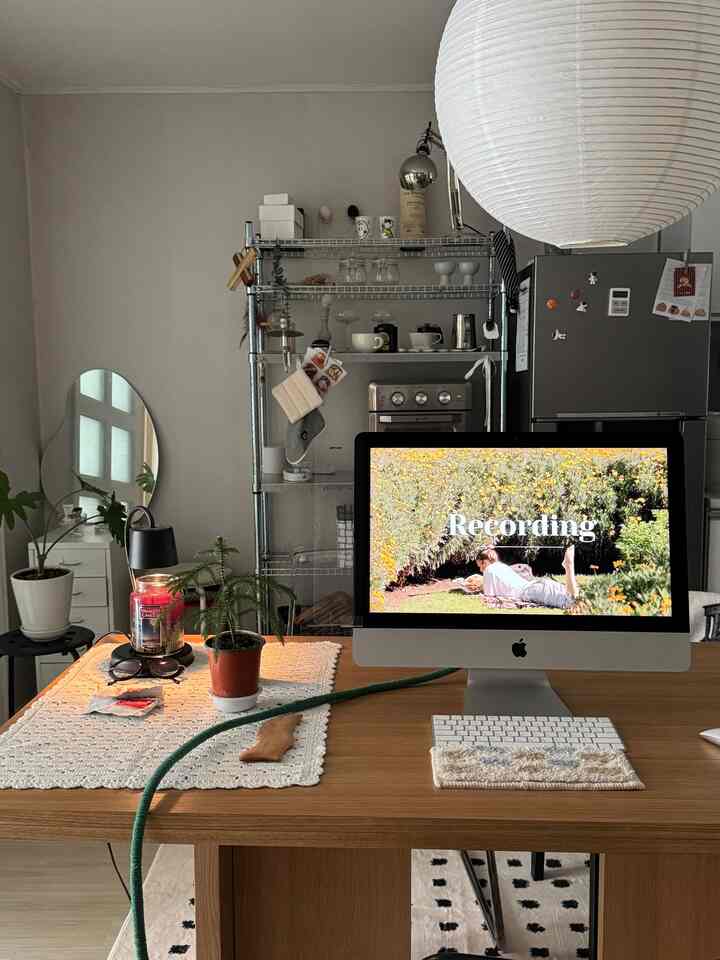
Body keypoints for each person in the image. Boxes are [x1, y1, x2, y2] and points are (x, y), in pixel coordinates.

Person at [475, 545, 579, 610]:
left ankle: (569, 566)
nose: (481, 570)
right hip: (538, 586)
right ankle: (568, 566)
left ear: (484, 561)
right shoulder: (501, 566)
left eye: (480, 566)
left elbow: (488, 596)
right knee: (575, 598)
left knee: (571, 603)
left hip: (531, 591)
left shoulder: (489, 570)